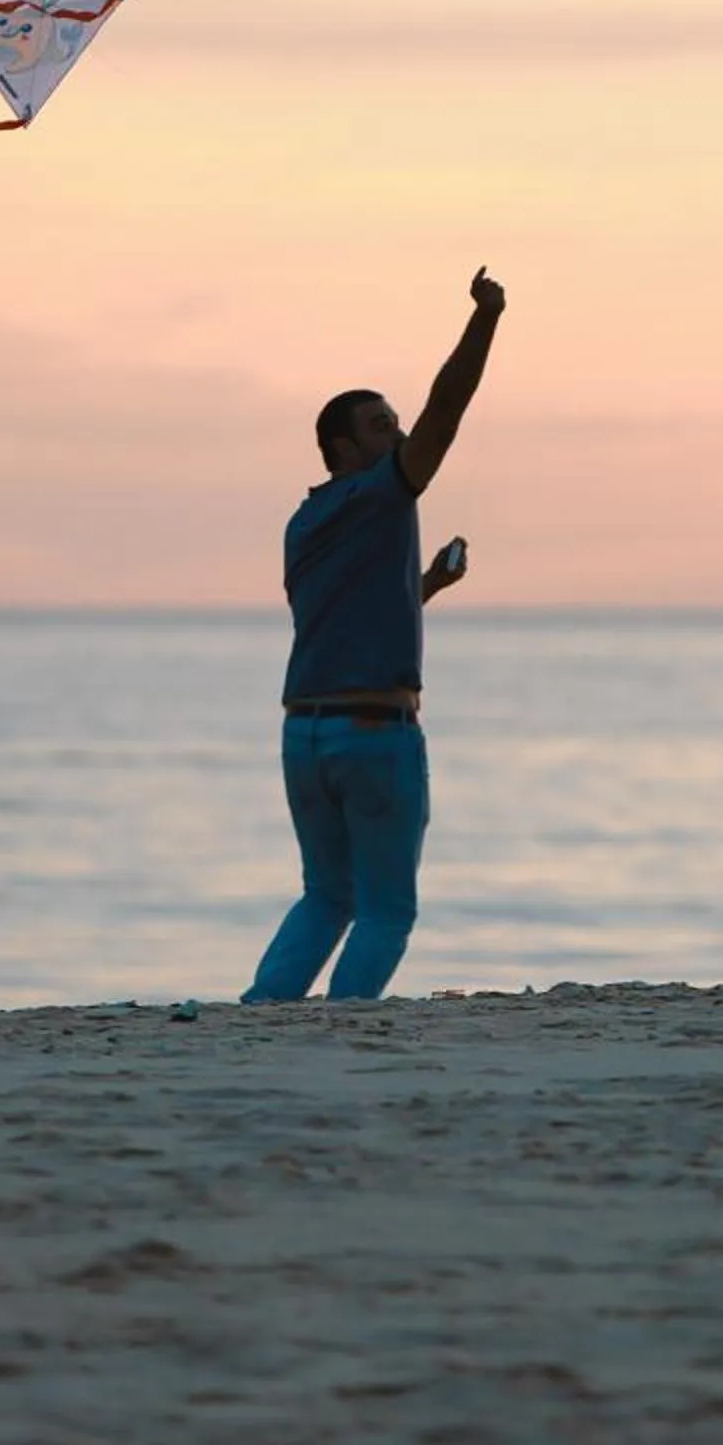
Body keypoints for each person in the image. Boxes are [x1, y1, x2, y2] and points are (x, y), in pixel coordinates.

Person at [242, 267, 506, 1003]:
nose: (400, 434)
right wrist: (488, 317)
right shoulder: (383, 489)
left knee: (328, 895)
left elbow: (342, 619)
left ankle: (263, 1014)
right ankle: (344, 1024)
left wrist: (426, 587)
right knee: (388, 908)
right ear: (342, 448)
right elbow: (449, 406)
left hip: (306, 734)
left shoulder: (305, 523)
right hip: (375, 733)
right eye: (382, 425)